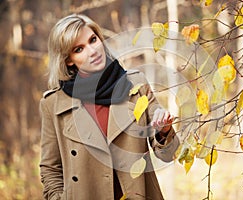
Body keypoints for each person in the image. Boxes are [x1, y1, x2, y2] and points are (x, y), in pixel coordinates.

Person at [39, 13, 179, 200]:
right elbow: (50, 169)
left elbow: (169, 155)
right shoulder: (53, 104)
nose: (92, 51)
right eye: (79, 49)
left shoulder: (136, 85)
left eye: (93, 40)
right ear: (68, 60)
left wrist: (164, 131)